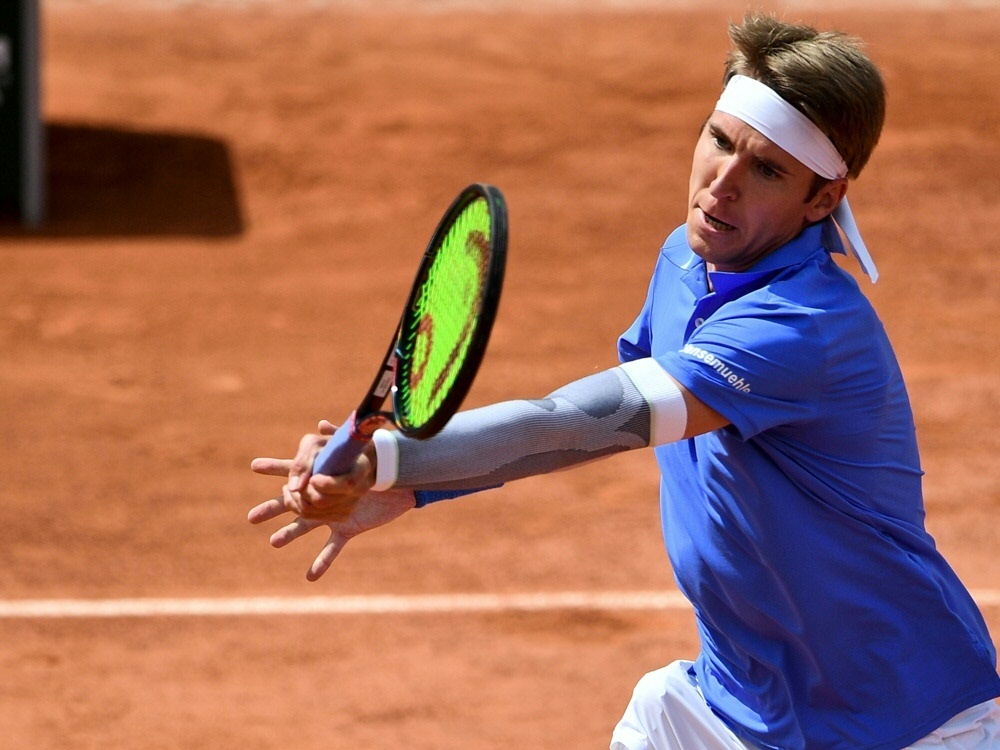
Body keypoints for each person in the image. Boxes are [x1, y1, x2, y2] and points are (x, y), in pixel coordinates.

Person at [248, 13, 1000, 750]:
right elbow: (580, 423)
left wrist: (388, 459)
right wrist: (416, 485)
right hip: (731, 708)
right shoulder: (685, 261)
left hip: (906, 723)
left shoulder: (803, 329)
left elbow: (577, 424)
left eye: (767, 169)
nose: (722, 184)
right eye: (719, 140)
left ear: (822, 199)